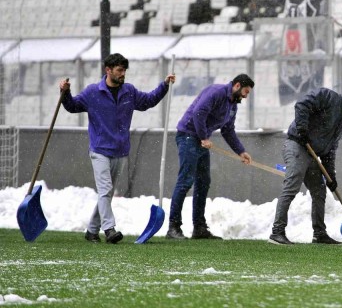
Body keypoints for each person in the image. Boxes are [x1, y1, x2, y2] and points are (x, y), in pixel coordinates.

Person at [59, 53, 175, 244]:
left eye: (124, 71)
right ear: (108, 70)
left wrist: (164, 86)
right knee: (105, 189)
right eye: (120, 70)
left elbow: (148, 101)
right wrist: (65, 93)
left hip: (121, 151)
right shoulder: (92, 92)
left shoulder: (129, 91)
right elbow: (72, 106)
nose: (123, 74)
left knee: (107, 193)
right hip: (99, 150)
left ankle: (91, 231)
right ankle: (109, 229)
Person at [269, 83, 342, 245]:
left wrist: (331, 176)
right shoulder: (327, 96)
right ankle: (277, 232)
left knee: (319, 191)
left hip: (312, 153)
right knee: (291, 187)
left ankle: (319, 233)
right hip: (297, 145)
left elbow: (330, 149)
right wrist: (302, 129)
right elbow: (302, 105)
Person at [166, 74, 254, 240]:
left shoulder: (232, 105)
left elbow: (228, 131)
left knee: (203, 181)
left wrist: (241, 151)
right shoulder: (216, 92)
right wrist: (203, 137)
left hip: (200, 140)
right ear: (237, 85)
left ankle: (199, 227)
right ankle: (173, 227)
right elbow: (199, 113)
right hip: (188, 136)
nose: (245, 96)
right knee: (185, 180)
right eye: (245, 91)